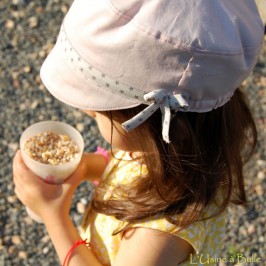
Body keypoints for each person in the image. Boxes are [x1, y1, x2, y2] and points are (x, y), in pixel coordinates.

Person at [13, 0, 264, 265]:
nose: (88, 112)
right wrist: (85, 167)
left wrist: (55, 218)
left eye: (99, 112)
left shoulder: (162, 232)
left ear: (161, 123)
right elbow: (133, 170)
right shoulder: (179, 150)